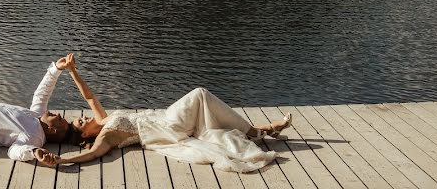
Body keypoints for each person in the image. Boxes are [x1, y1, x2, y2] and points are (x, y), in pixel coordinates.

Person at [35, 54, 291, 173]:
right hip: (167, 127)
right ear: (84, 135)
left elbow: (89, 97)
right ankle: (258, 131)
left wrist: (71, 71)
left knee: (203, 99)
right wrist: (61, 161)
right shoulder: (107, 137)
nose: (83, 117)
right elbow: (90, 155)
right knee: (200, 93)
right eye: (80, 122)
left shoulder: (103, 121)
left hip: (163, 116)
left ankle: (257, 130)